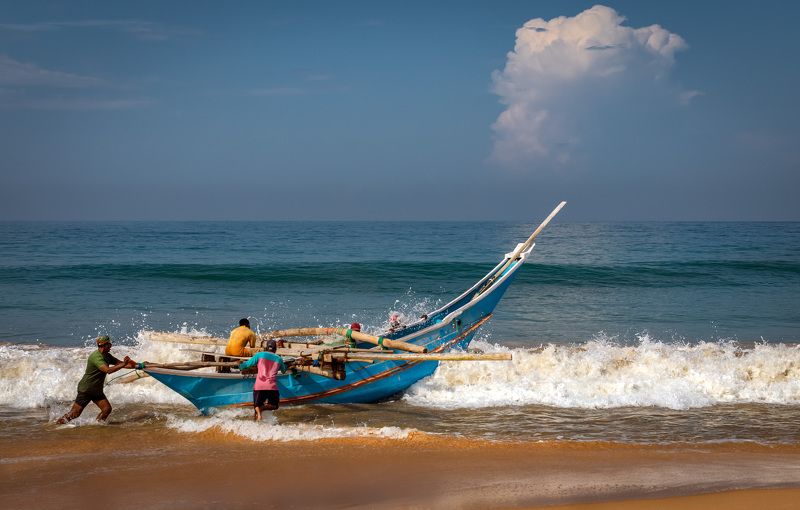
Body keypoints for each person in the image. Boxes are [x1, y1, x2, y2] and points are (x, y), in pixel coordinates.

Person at [57, 335, 136, 424]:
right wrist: (123, 364)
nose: (111, 347)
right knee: (74, 414)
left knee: (106, 409)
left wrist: (140, 366)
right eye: (110, 345)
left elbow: (122, 364)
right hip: (86, 389)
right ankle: (57, 425)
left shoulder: (107, 356)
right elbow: (108, 370)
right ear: (105, 345)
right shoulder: (96, 357)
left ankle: (97, 426)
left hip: (96, 390)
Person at [238, 339, 287, 421]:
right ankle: (262, 408)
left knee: (256, 405)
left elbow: (248, 364)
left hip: (259, 385)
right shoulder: (279, 359)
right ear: (275, 349)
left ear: (266, 348)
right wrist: (286, 365)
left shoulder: (260, 355)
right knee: (275, 405)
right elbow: (283, 370)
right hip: (271, 386)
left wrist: (240, 366)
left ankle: (258, 417)